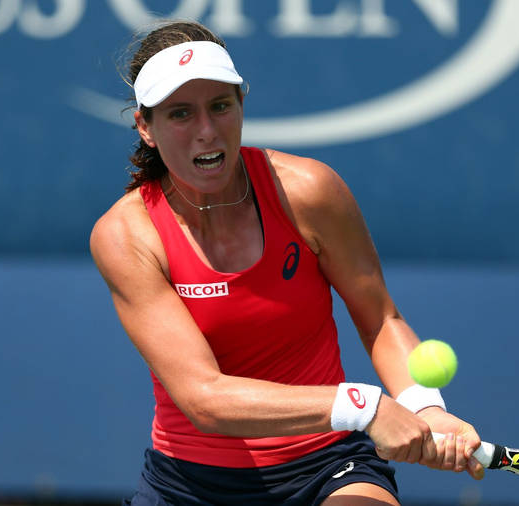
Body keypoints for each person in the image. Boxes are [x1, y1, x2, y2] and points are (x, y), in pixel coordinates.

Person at [90, 20, 484, 506]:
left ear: (241, 105)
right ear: (145, 128)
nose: (207, 131)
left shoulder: (309, 191)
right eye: (180, 114)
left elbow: (380, 318)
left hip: (327, 464)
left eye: (220, 106)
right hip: (190, 485)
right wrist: (363, 406)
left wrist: (427, 407)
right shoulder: (127, 235)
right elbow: (204, 398)